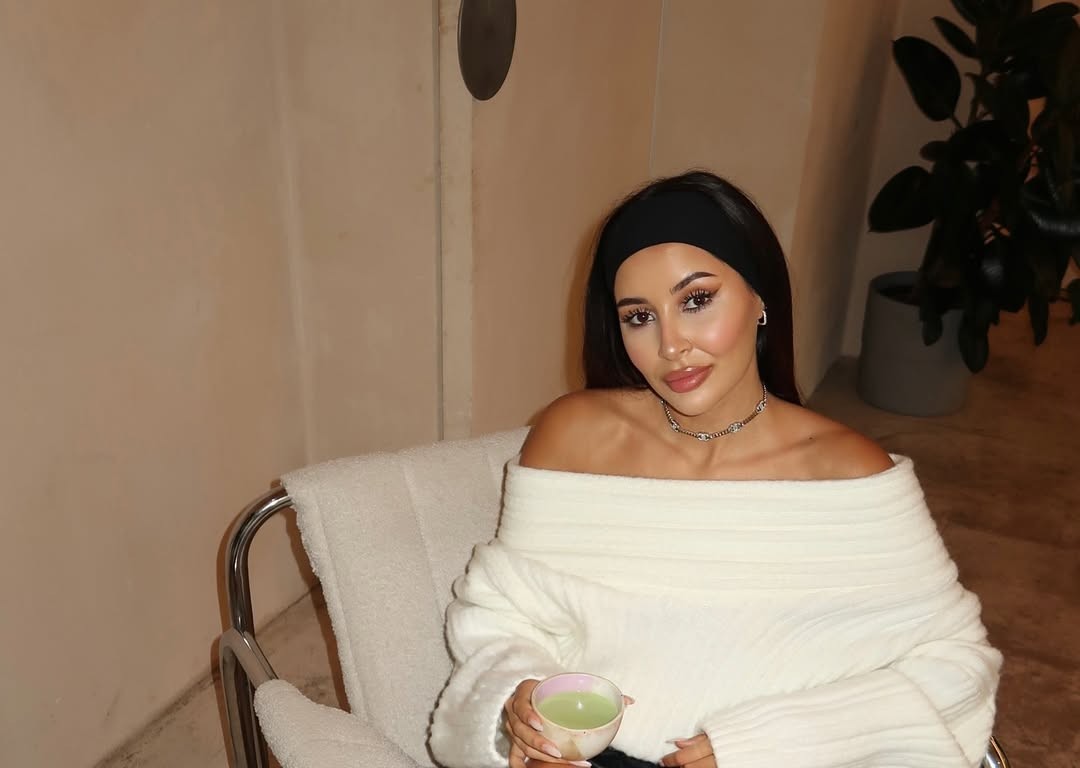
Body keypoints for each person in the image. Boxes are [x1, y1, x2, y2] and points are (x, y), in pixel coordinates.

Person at [428, 170, 1001, 768]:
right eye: (639, 316)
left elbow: (957, 665)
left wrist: (764, 747)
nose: (671, 345)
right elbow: (505, 615)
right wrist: (518, 701)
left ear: (760, 298)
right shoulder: (572, 437)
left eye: (696, 301)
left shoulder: (850, 475)